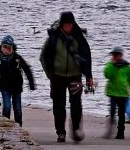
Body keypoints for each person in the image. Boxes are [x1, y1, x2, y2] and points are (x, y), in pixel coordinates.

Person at [39, 10, 94, 142]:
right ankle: (61, 132)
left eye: (71, 24)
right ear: (62, 25)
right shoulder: (53, 38)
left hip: (75, 76)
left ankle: (75, 130)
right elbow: (43, 57)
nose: (69, 27)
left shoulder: (79, 38)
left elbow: (86, 57)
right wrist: (50, 74)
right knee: (58, 105)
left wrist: (89, 76)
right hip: (57, 76)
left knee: (76, 104)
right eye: (66, 24)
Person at [0, 34, 36, 125]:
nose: (6, 50)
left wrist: (31, 83)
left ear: (12, 48)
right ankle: (6, 125)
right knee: (7, 107)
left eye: (8, 47)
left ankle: (19, 127)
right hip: (5, 87)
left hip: (17, 88)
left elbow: (27, 69)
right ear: (1, 47)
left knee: (18, 110)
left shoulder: (17, 58)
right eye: (4, 47)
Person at [103, 46, 130, 139]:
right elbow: (107, 75)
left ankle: (121, 132)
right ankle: (110, 129)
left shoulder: (126, 67)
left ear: (121, 55)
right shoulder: (110, 65)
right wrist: (111, 64)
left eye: (116, 55)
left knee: (121, 113)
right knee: (112, 111)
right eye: (113, 55)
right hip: (113, 92)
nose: (114, 57)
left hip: (123, 93)